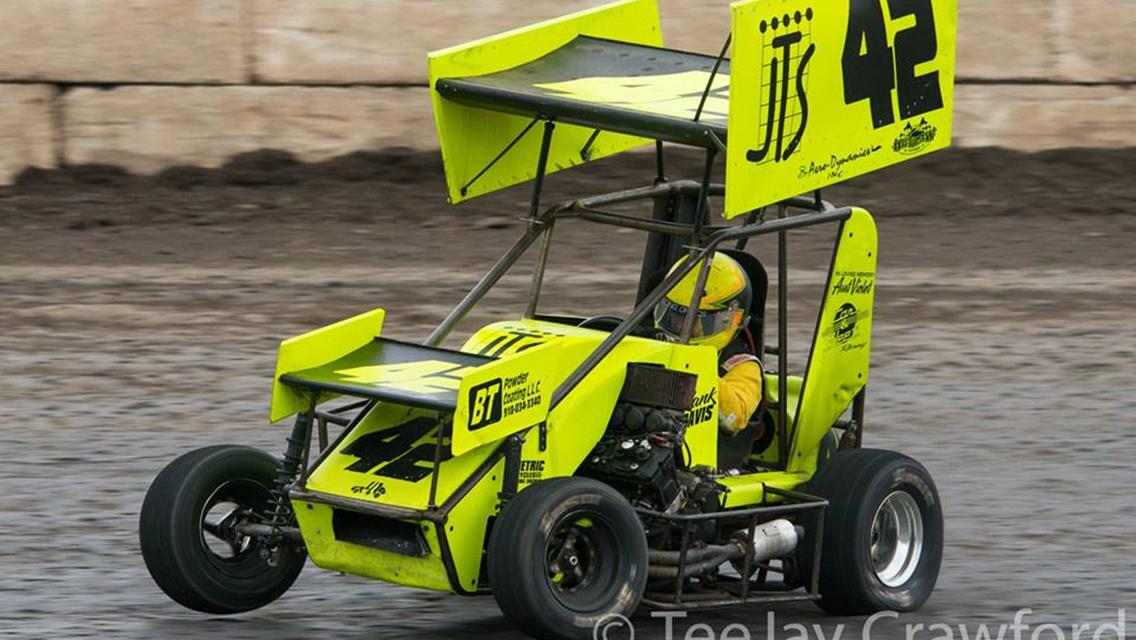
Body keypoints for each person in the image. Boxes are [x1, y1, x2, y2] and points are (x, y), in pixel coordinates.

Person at [653, 252, 765, 437]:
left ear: (726, 320)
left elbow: (734, 417)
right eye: (675, 317)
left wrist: (696, 367)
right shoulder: (654, 342)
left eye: (692, 321)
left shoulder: (742, 365)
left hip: (707, 454)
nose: (681, 327)